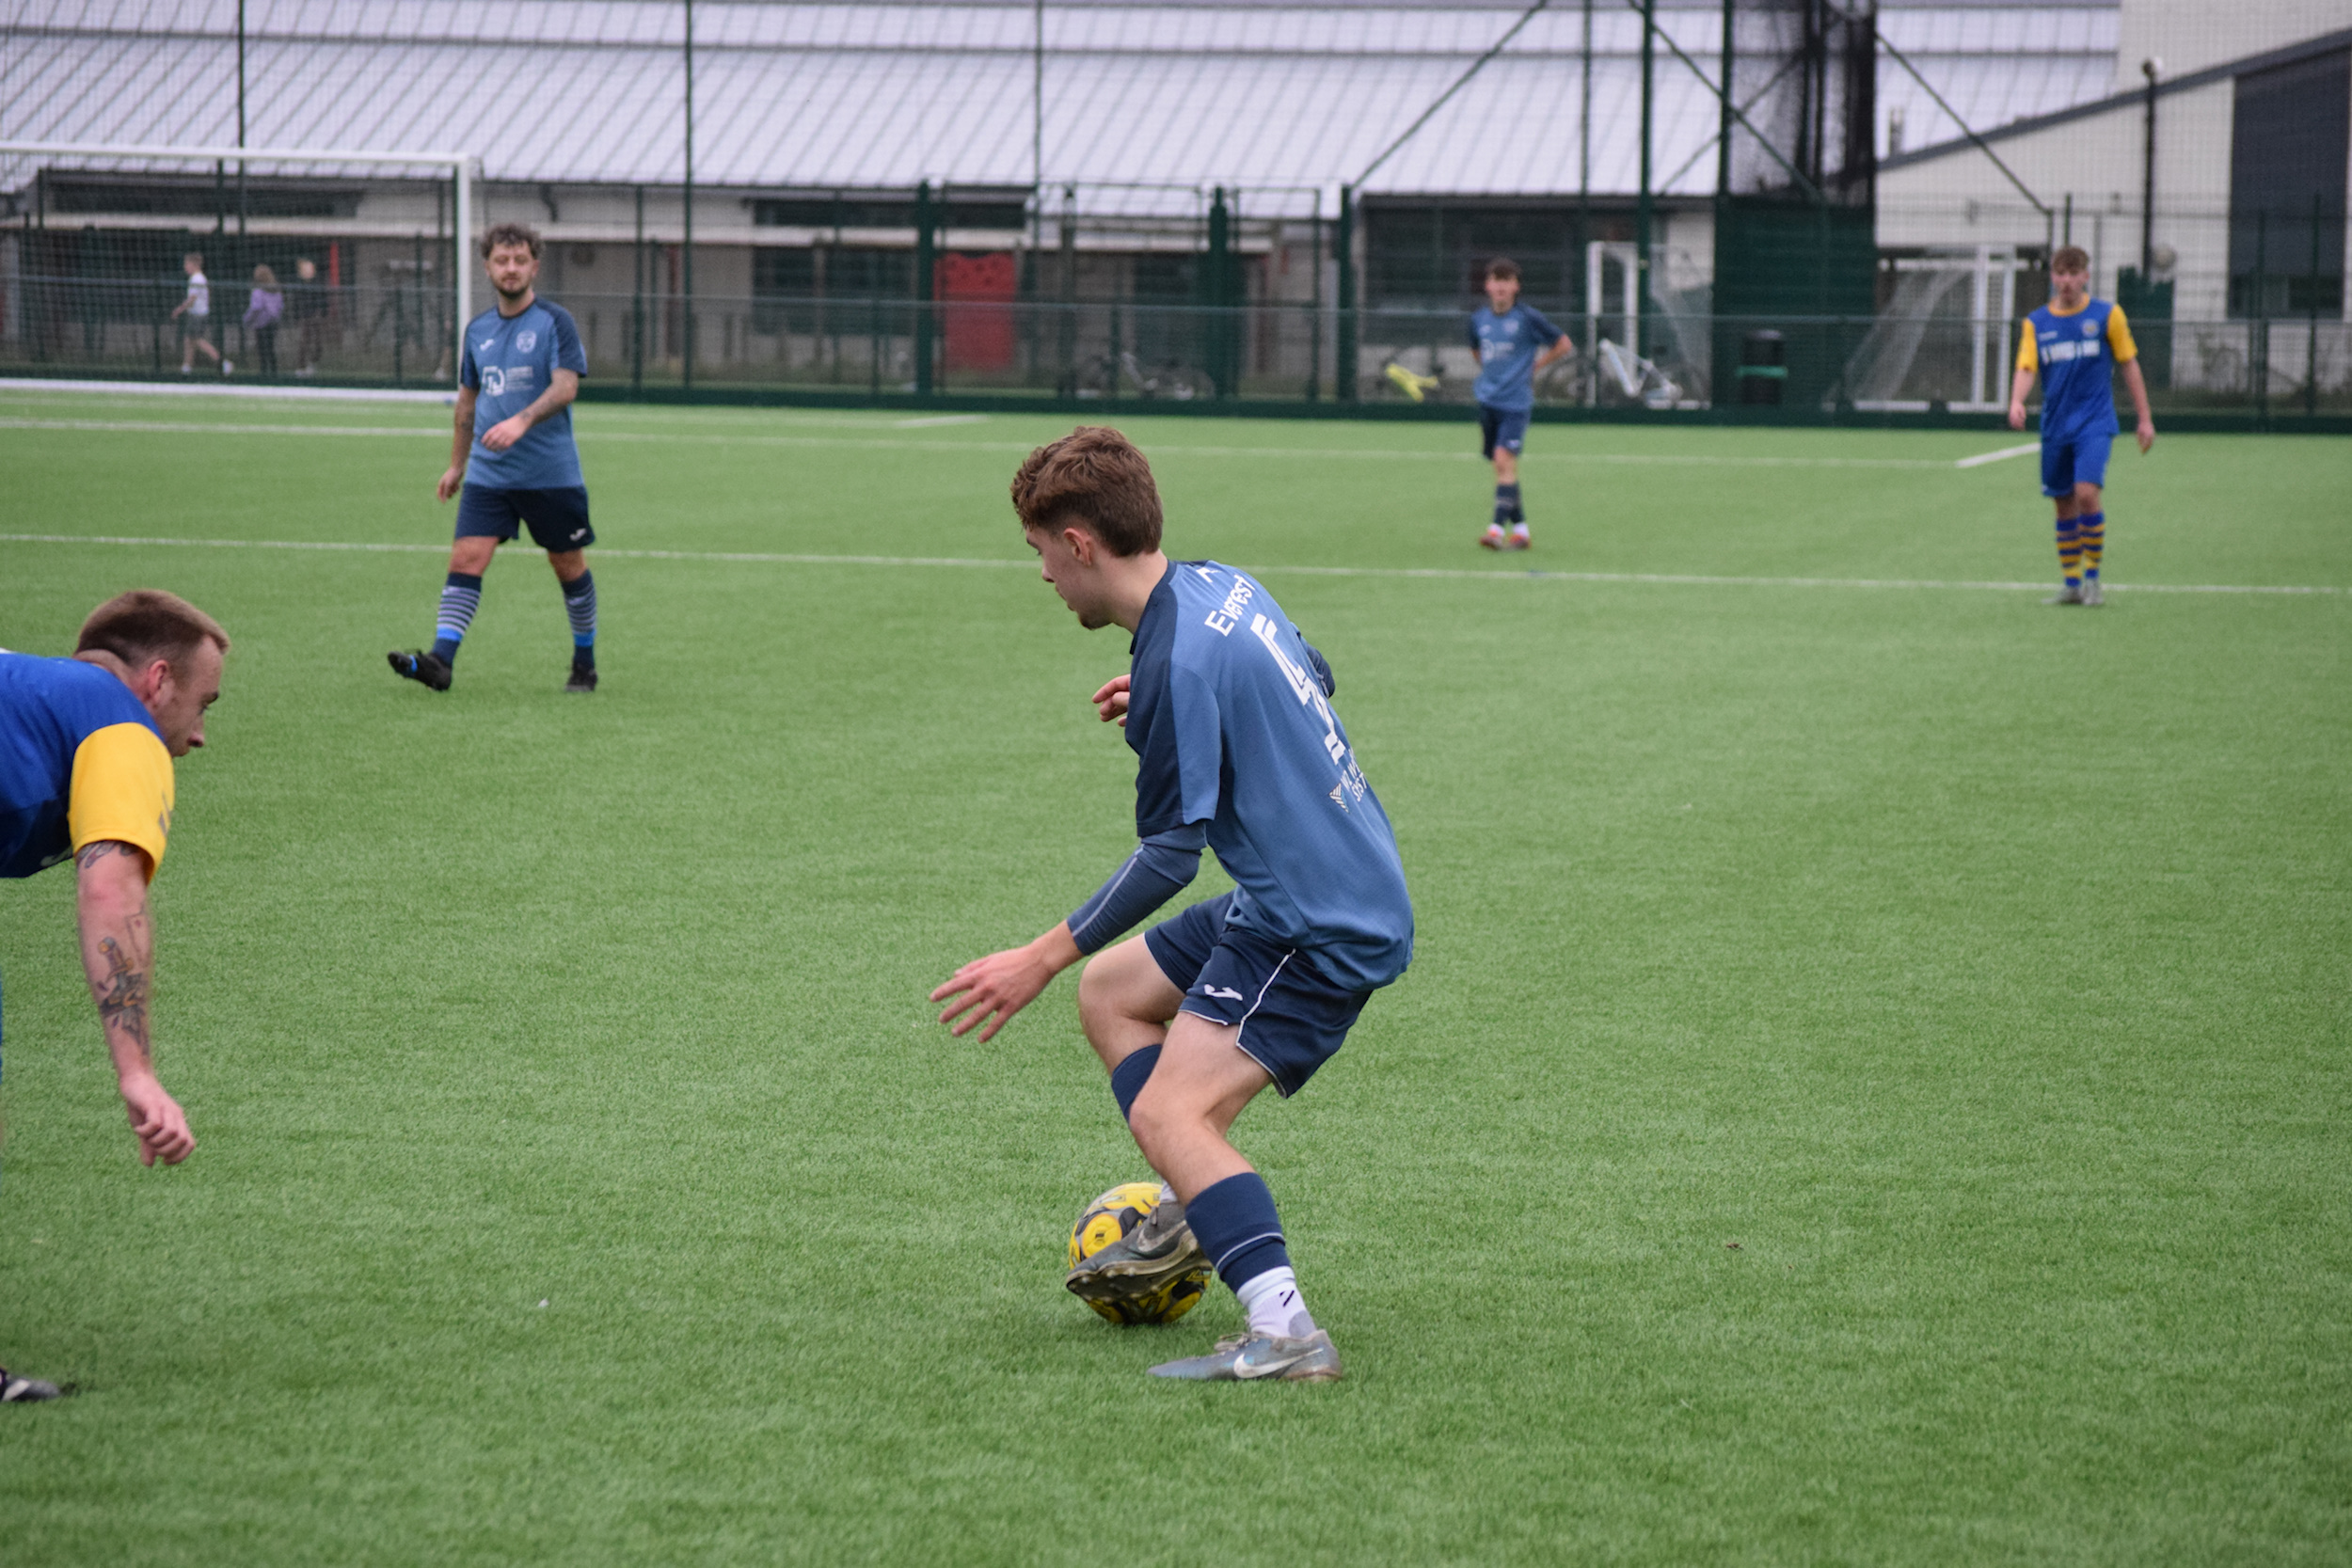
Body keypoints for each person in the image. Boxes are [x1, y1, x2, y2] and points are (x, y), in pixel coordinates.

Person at [931, 427, 1414, 1383]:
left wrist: (1038, 953)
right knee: (1112, 993)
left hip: (1316, 925)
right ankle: (1194, 1209)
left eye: (1038, 551)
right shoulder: (1217, 583)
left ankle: (1285, 1329)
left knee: (1167, 1114)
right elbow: (1311, 673)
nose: (1041, 577)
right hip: (1317, 886)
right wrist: (1180, 707)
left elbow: (1168, 858)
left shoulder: (1175, 662)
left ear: (1079, 544)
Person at [0, 591, 227, 1403]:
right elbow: (111, 890)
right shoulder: (123, 730)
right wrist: (135, 1069)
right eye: (203, 702)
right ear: (157, 679)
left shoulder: (30, 694)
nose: (199, 733)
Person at [389, 222, 599, 694]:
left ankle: (584, 662)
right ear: (487, 267)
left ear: (534, 266)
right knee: (467, 558)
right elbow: (468, 402)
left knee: (567, 565)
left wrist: (522, 421)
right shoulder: (478, 330)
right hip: (490, 473)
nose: (510, 269)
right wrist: (457, 465)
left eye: (519, 260)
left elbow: (566, 386)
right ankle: (440, 661)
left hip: (550, 473)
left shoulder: (554, 322)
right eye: (502, 261)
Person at [2008, 245, 2156, 607]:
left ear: (2086, 276)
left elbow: (2129, 364)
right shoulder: (2037, 323)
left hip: (2095, 423)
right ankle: (2071, 583)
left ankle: (2093, 579)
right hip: (2055, 426)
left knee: (2086, 493)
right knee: (2062, 504)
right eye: (2061, 273)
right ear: (2053, 277)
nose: (2067, 281)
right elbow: (2027, 366)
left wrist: (2145, 418)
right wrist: (2016, 401)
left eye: (2074, 274)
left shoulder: (2108, 316)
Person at [1467, 258, 1572, 550]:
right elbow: (1477, 351)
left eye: (1506, 280)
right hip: (1488, 401)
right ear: (1487, 286)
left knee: (1503, 461)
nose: (1500, 286)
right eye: (1495, 280)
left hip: (1515, 404)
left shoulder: (1528, 318)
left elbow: (1563, 343)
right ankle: (1521, 531)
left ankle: (1496, 530)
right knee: (1504, 468)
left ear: (1516, 286)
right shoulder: (1478, 320)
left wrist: (1536, 366)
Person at [171, 252, 230, 377]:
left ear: (194, 264)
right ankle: (186, 367)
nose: (185, 267)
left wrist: (179, 309)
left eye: (186, 264)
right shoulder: (198, 278)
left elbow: (192, 298)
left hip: (198, 315)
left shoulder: (196, 279)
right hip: (197, 314)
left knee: (197, 340)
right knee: (188, 340)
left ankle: (222, 363)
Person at [289, 257, 329, 377]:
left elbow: (324, 299)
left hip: (316, 316)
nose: (309, 270)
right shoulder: (298, 284)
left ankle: (312, 363)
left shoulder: (318, 282)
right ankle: (301, 367)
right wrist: (296, 316)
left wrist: (323, 313)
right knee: (304, 342)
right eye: (306, 268)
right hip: (304, 316)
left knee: (318, 343)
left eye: (310, 267)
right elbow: (295, 302)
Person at [244, 263, 284, 378]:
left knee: (262, 348)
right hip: (273, 322)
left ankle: (264, 371)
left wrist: (247, 319)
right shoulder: (276, 290)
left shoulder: (258, 291)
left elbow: (256, 307)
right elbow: (281, 305)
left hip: (261, 322)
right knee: (270, 347)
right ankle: (273, 371)